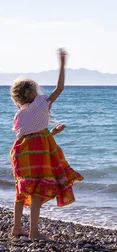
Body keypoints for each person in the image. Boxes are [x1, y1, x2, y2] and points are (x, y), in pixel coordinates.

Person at [9, 49, 83, 240]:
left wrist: (52, 132)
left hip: (20, 151)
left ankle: (17, 228)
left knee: (22, 188)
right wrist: (62, 64)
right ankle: (34, 232)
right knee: (37, 190)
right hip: (38, 151)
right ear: (32, 92)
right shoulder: (41, 103)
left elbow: (29, 136)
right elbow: (59, 88)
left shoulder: (20, 113)